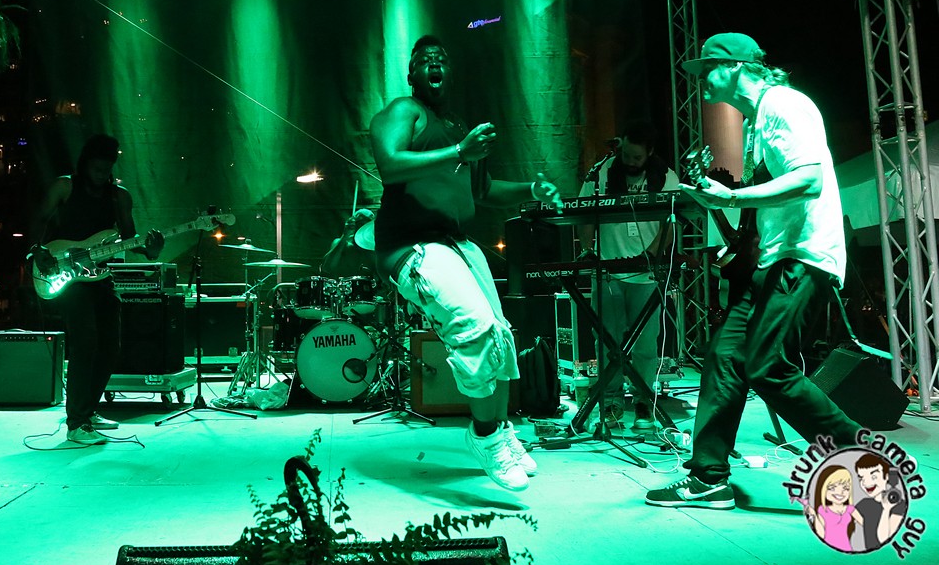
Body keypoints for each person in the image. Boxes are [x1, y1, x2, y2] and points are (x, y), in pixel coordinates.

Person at [646, 32, 861, 509]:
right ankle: (708, 478)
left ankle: (860, 458)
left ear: (738, 68)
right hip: (771, 259)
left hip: (802, 257)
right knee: (725, 356)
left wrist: (734, 197)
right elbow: (771, 196)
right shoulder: (756, 121)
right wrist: (724, 205)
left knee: (767, 366)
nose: (701, 79)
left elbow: (809, 179)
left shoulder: (785, 104)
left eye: (709, 68)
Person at [369, 34, 563, 491]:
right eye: (425, 60)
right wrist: (459, 152)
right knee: (473, 328)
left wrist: (531, 190)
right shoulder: (404, 111)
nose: (434, 65)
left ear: (450, 72)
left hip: (458, 244)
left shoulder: (457, 125)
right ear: (412, 74)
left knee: (499, 334)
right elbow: (390, 165)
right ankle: (485, 434)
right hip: (414, 246)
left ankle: (501, 429)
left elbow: (483, 190)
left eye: (441, 59)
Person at [30, 134, 164, 445]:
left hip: (100, 277)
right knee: (86, 343)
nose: (102, 175)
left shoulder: (119, 197)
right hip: (67, 275)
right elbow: (38, 220)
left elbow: (129, 239)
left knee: (110, 346)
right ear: (85, 164)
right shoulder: (65, 187)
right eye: (96, 169)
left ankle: (88, 410)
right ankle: (76, 424)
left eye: (107, 169)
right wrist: (37, 250)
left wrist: (151, 249)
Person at [577, 120, 679, 432]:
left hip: (646, 275)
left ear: (650, 152)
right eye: (627, 156)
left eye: (638, 157)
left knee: (646, 345)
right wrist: (587, 249)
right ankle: (611, 403)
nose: (632, 162)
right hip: (608, 271)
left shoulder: (666, 177)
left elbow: (671, 222)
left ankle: (644, 403)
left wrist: (650, 255)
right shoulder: (601, 174)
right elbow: (582, 213)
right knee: (607, 342)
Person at [854, 453, 906, 549]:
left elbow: (883, 539)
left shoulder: (898, 505)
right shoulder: (864, 504)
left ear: (886, 476)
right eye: (862, 478)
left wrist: (886, 509)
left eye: (874, 477)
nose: (866, 482)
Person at [321, 208, 377, 279]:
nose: (363, 227)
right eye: (360, 223)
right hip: (344, 285)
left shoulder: (375, 246)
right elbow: (327, 268)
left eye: (367, 224)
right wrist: (345, 236)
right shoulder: (343, 244)